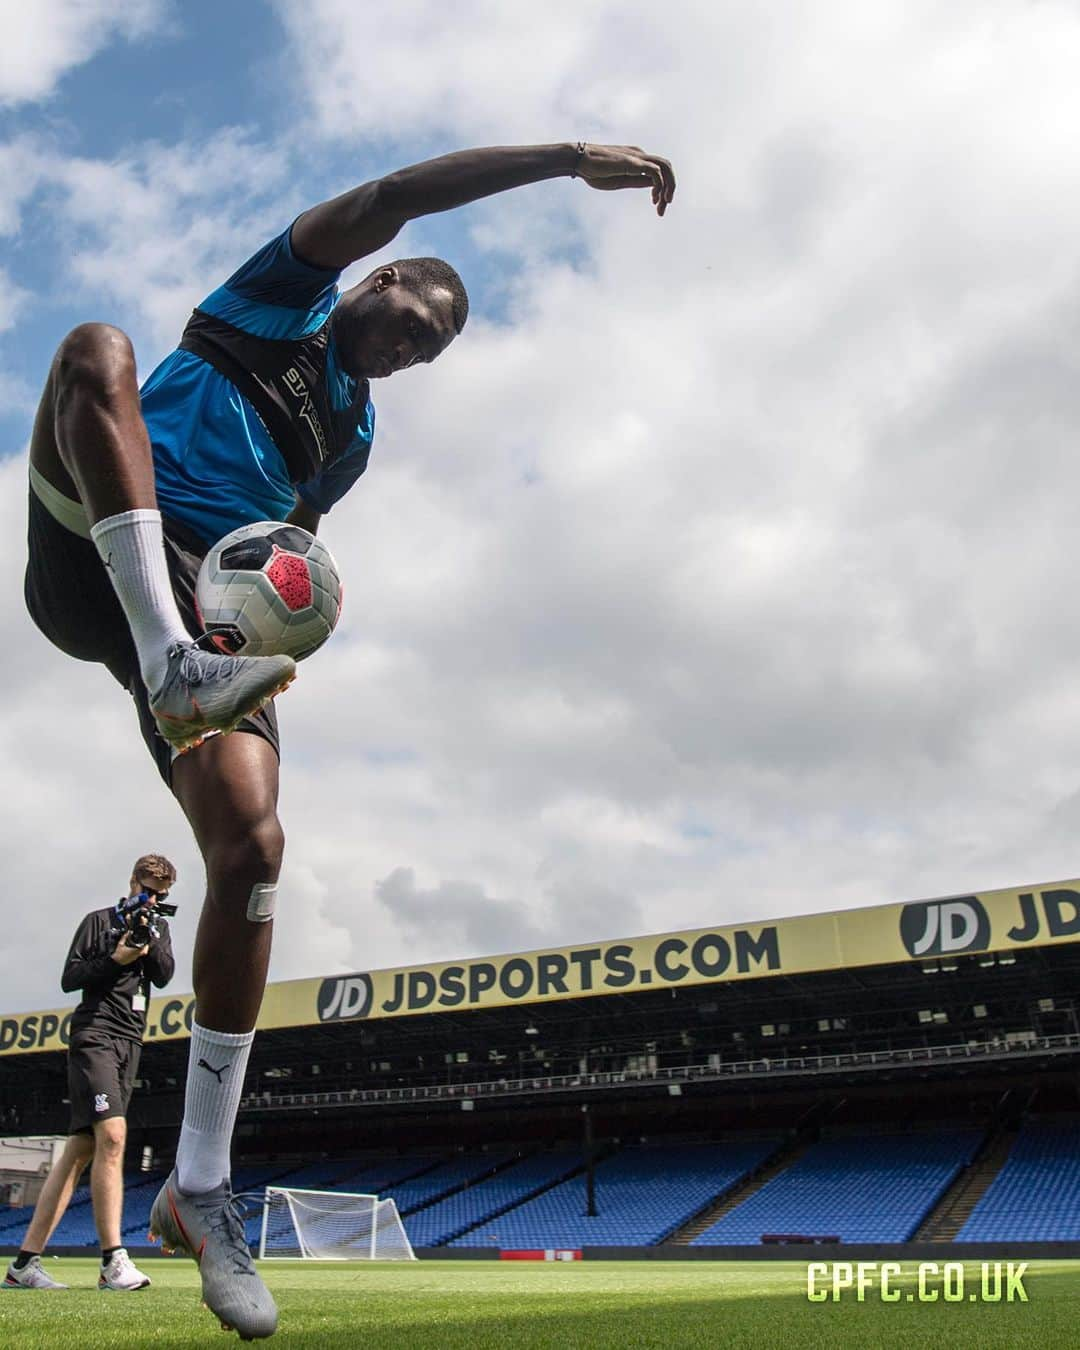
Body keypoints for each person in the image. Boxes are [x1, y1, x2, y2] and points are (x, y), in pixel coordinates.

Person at [22, 140, 675, 1338]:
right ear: (373, 283)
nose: (407, 344)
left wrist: (281, 626)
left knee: (258, 851)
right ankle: (169, 656)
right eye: (407, 316)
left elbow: (290, 553)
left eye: (429, 348)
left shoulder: (352, 439)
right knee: (97, 351)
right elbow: (394, 196)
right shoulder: (284, 298)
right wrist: (566, 161)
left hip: (218, 607)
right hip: (104, 561)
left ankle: (203, 1189)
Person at [3, 855, 176, 1293]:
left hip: (130, 1041)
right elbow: (70, 978)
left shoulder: (159, 926)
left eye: (160, 894)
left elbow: (165, 973)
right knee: (114, 1137)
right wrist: (117, 957)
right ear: (132, 880)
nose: (151, 897)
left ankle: (23, 1265)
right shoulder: (98, 921)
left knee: (80, 1151)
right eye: (146, 888)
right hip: (94, 1033)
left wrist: (149, 938)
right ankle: (112, 1262)